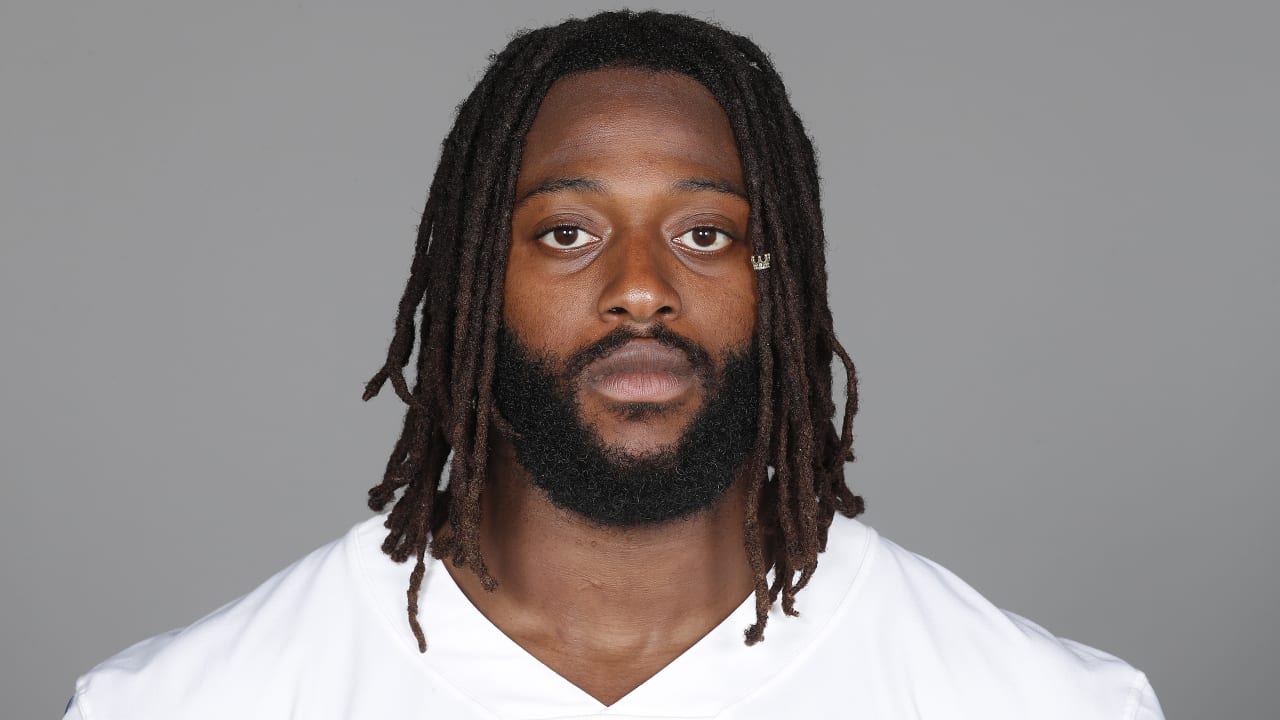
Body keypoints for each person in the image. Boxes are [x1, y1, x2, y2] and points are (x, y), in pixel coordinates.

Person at [64, 10, 1164, 719]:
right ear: (468, 284)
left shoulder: (1040, 703)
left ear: (781, 282)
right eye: (564, 234)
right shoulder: (185, 704)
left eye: (703, 235)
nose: (640, 288)